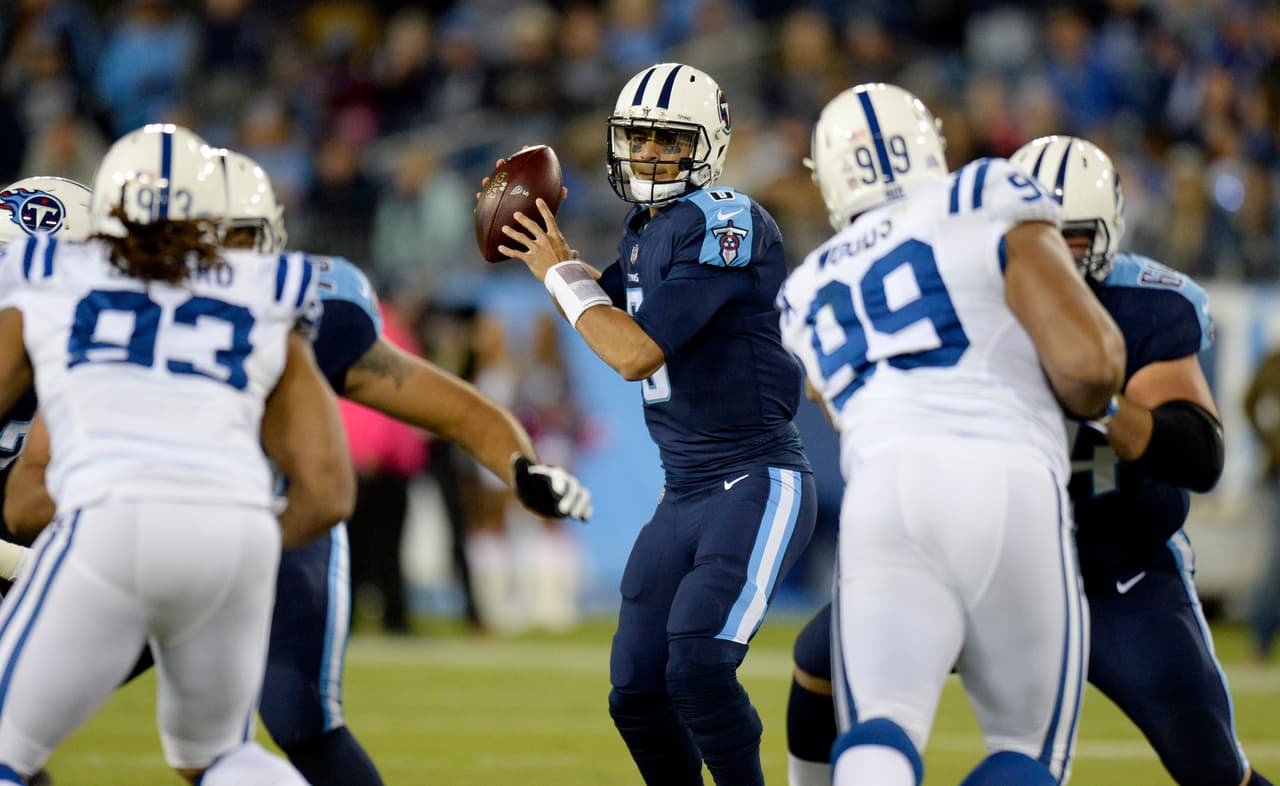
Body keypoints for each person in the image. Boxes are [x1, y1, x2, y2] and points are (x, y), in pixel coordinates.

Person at [6, 148, 594, 786]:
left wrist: (520, 466)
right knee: (211, 754)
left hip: (211, 523)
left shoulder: (94, 321)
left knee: (296, 717)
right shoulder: (271, 303)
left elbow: (440, 417)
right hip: (225, 536)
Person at [778, 86, 1124, 786]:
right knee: (1023, 753)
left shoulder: (806, 286)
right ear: (929, 145)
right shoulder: (985, 191)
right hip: (1006, 476)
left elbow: (841, 407)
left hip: (884, 496)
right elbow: (1089, 371)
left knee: (879, 725)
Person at [0, 123, 355, 785]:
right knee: (217, 758)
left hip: (109, 522)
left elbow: (26, 498)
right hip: (236, 532)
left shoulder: (53, 274)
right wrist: (235, 540)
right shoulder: (267, 290)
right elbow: (331, 491)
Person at [496, 62, 817, 786]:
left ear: (707, 145)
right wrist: (536, 237)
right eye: (637, 140)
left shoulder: (725, 219)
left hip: (755, 478)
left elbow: (632, 351)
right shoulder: (648, 228)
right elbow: (594, 300)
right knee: (637, 693)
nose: (645, 156)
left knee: (699, 667)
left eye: (666, 142)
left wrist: (557, 273)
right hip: (684, 495)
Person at [1010, 136, 1272, 786]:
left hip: (1121, 570)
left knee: (1208, 762)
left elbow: (1198, 452)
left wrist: (1098, 401)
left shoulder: (1147, 305)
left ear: (1102, 236)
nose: (1048, 259)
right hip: (996, 569)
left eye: (1065, 241)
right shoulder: (968, 297)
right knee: (837, 675)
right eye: (1030, 237)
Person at [1244, 346, 1280, 663]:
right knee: (1275, 564)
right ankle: (1261, 640)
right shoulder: (1273, 363)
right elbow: (1249, 403)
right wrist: (1271, 442)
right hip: (1277, 475)